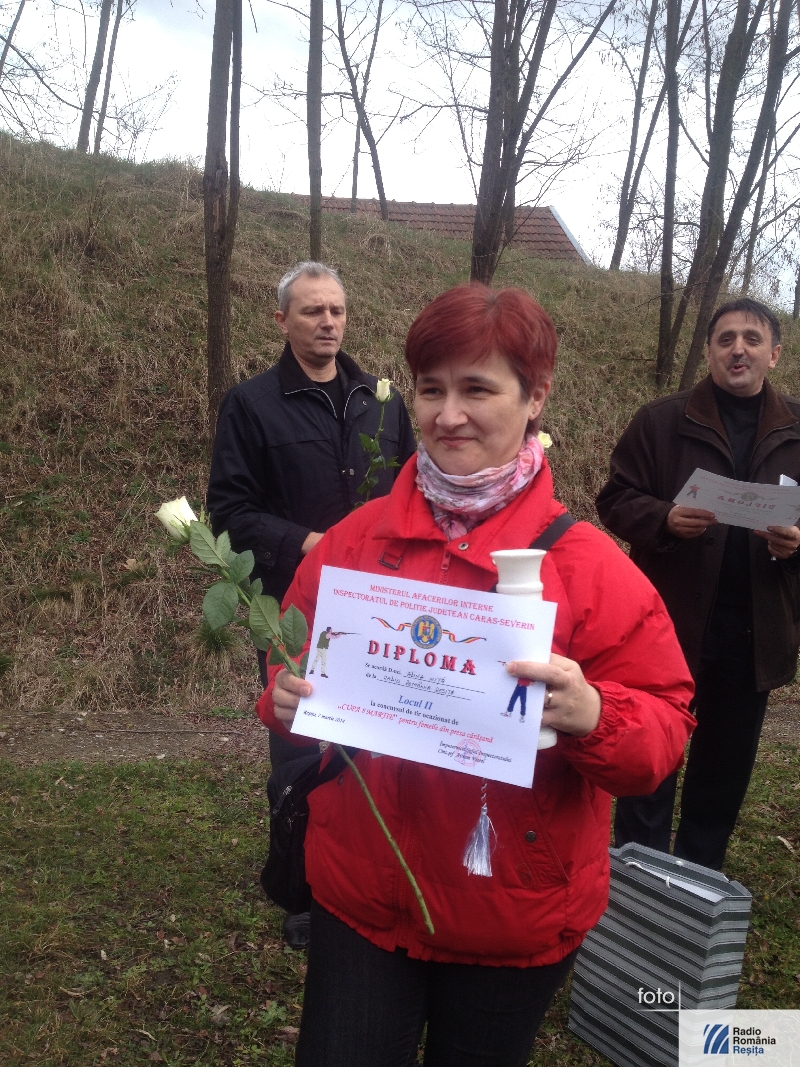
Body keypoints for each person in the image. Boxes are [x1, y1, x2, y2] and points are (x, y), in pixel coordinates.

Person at [257, 284, 695, 1067]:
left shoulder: (588, 566)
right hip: (364, 895)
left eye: (477, 389)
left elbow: (663, 729)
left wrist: (595, 713)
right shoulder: (354, 544)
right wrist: (286, 696)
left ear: (536, 397)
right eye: (431, 389)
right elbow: (289, 660)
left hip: (510, 909)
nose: (448, 414)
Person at [207, 261, 415, 943]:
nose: (328, 322)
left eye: (336, 310)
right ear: (282, 320)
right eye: (311, 311)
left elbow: (416, 493)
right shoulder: (251, 404)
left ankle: (371, 872)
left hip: (381, 605)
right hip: (295, 608)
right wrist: (309, 544)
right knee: (300, 743)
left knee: (377, 742)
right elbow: (230, 510)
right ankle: (304, 887)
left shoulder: (382, 401)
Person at [596, 297, 800, 872]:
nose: (738, 349)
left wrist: (795, 543)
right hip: (668, 626)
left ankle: (695, 881)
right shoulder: (661, 421)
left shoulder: (796, 428)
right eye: (725, 338)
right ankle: (637, 874)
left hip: (754, 632)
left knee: (723, 771)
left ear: (774, 354)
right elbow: (614, 498)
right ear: (709, 352)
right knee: (650, 758)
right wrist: (663, 519)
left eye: (752, 339)